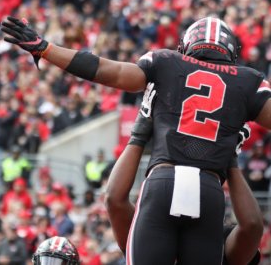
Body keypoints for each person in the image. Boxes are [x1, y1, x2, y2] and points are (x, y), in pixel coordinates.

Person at [1, 16, 271, 264]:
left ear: (187, 45)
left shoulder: (165, 61)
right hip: (210, 188)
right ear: (231, 51)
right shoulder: (247, 80)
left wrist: (47, 49)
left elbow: (108, 71)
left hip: (164, 179)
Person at [105, 106, 262, 265]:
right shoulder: (218, 238)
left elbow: (114, 199)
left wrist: (138, 136)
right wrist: (231, 161)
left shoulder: (147, 232)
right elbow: (252, 225)